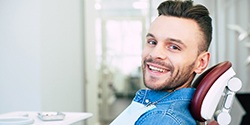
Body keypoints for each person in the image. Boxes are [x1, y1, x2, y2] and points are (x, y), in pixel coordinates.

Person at [110, 0, 212, 124]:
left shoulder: (162, 119)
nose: (154, 54)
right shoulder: (158, 109)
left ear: (200, 63)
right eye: (152, 42)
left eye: (174, 47)